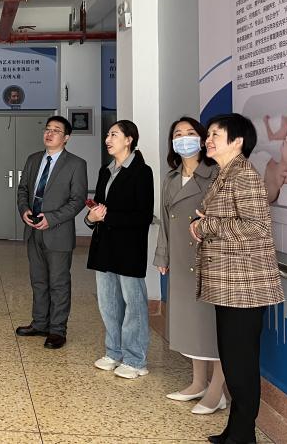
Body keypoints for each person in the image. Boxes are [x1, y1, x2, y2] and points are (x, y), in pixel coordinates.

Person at [189, 113, 285, 444]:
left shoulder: (243, 175)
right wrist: (203, 223)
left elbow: (257, 227)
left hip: (244, 287)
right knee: (234, 362)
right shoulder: (225, 173)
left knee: (240, 365)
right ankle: (236, 431)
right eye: (208, 134)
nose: (208, 140)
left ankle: (243, 437)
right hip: (230, 285)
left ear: (238, 141)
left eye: (216, 134)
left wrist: (206, 225)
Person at [153, 117, 226, 415]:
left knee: (212, 325)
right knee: (191, 323)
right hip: (181, 257)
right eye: (178, 134)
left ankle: (217, 391)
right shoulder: (171, 178)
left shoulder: (216, 173)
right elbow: (165, 222)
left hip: (209, 258)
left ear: (203, 138)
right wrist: (163, 256)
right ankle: (197, 382)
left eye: (190, 133)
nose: (184, 138)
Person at [86, 120, 154, 379]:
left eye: (114, 134)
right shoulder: (106, 171)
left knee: (133, 305)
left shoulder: (142, 172)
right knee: (109, 305)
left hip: (128, 248)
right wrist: (91, 217)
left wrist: (107, 217)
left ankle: (136, 359)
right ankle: (113, 352)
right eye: (107, 135)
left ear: (129, 139)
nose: (108, 139)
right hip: (104, 247)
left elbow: (143, 216)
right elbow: (98, 208)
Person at [15, 115, 88, 349]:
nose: (49, 133)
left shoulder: (76, 164)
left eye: (56, 130)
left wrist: (52, 218)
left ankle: (57, 330)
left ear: (66, 138)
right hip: (33, 230)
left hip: (58, 232)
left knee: (58, 283)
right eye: (47, 129)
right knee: (38, 281)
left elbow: (77, 201)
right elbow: (23, 189)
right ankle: (39, 323)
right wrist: (24, 210)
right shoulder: (33, 159)